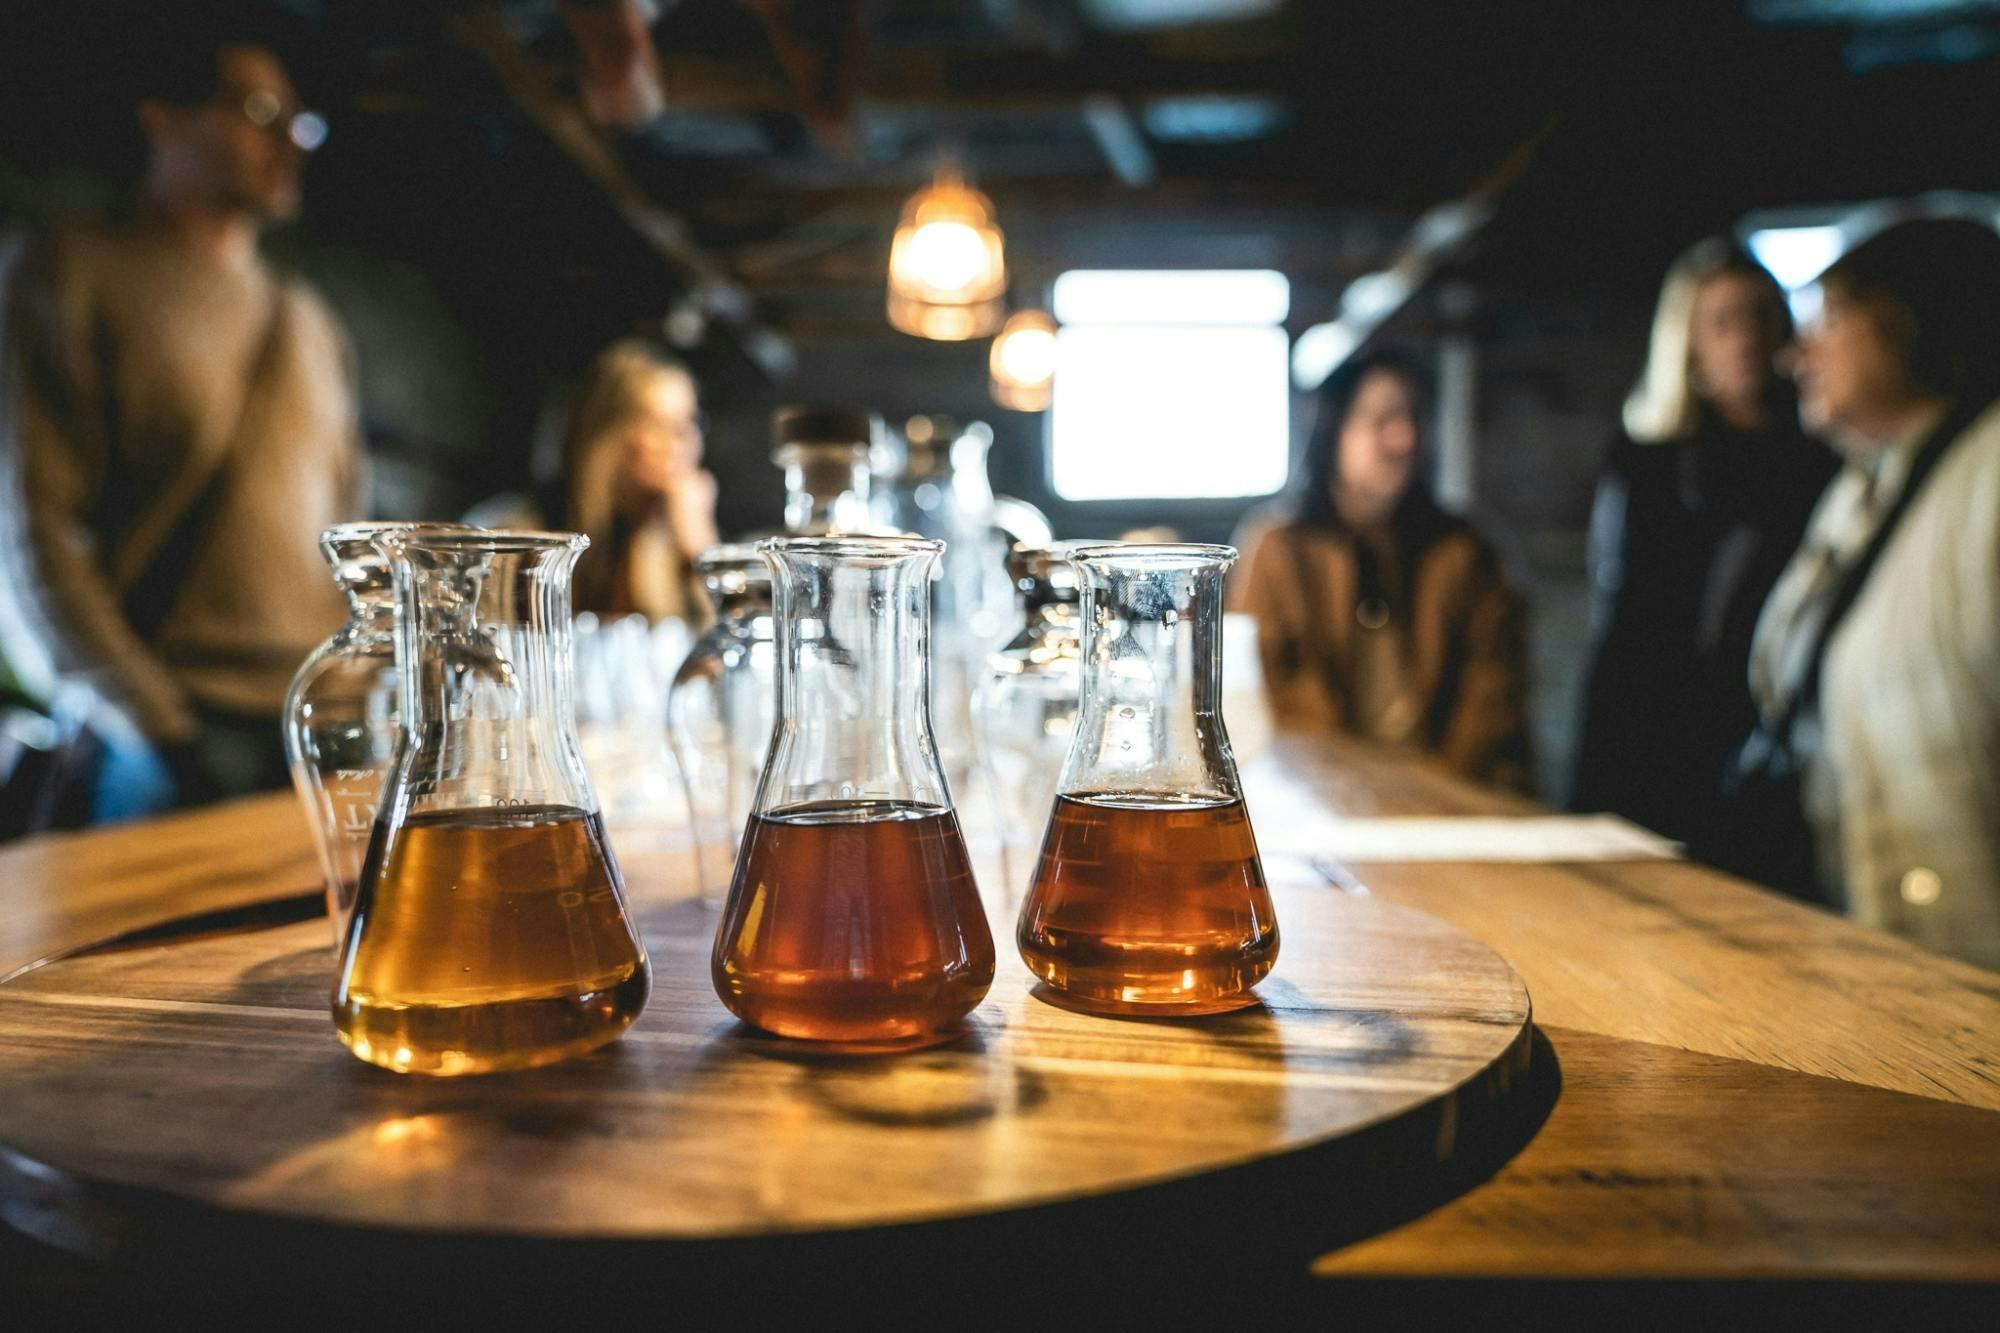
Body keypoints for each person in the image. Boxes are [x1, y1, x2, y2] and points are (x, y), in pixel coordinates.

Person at [0, 20, 361, 808]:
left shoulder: (308, 320)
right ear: (164, 118)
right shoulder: (68, 273)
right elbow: (32, 528)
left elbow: (346, 527)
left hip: (313, 730)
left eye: (302, 123)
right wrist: (149, 722)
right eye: (260, 111)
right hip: (161, 734)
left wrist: (351, 695)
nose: (290, 144)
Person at [1741, 217, 2000, 969]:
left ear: (1907, 320)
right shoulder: (1861, 488)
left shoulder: (1986, 477)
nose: (1796, 355)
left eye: (1826, 321)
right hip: (1884, 953)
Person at [1572, 240, 1835, 841]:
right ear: (1687, 340)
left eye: (1758, 316)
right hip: (1659, 736)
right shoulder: (1647, 464)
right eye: (1721, 322)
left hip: (1774, 739)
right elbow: (1622, 626)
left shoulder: (1819, 463)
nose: (1743, 339)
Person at [1232, 348, 1532, 790]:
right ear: (1335, 430)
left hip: (1448, 792)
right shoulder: (1280, 547)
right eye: (1383, 420)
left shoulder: (1462, 550)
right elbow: (1264, 685)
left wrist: (1439, 791)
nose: (1404, 439)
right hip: (1318, 789)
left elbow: (1493, 695)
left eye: (1413, 418)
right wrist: (1344, 782)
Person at [562, 339, 717, 622]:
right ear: (609, 434)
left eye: (690, 421)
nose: (684, 439)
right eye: (661, 424)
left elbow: (721, 643)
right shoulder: (529, 525)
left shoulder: (675, 534)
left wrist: (699, 547)